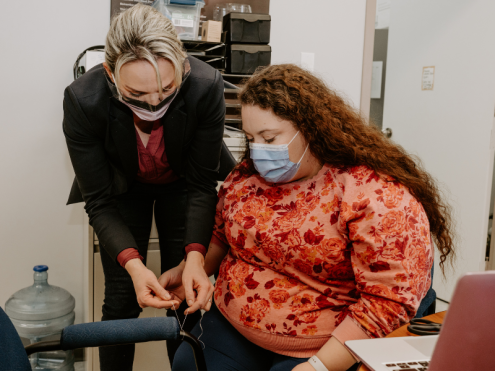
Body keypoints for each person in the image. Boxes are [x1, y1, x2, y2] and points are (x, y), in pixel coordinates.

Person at [163, 64, 455, 371]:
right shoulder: (247, 177)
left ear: (312, 129)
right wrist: (190, 271)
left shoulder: (372, 195)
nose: (258, 150)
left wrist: (319, 366)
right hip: (234, 326)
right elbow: (222, 235)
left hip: (324, 345)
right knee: (188, 364)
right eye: (251, 137)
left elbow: (388, 302)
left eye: (270, 138)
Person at [63, 4, 234, 370]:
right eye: (136, 96)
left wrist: (195, 258)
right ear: (111, 74)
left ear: (183, 66)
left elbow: (203, 185)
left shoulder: (204, 86)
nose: (154, 104)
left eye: (167, 91)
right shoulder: (83, 100)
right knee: (123, 297)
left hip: (184, 186)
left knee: (186, 297)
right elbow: (99, 201)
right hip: (122, 191)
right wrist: (136, 267)